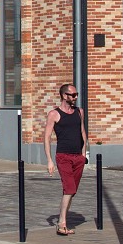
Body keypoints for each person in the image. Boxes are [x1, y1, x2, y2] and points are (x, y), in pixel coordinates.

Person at [42, 83, 88, 236]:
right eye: (72, 95)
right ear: (64, 96)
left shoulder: (79, 112)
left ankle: (63, 219)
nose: (75, 97)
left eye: (76, 95)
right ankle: (62, 223)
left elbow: (82, 133)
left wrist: (83, 155)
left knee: (72, 191)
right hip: (63, 157)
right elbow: (47, 137)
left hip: (78, 158)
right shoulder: (54, 114)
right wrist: (49, 160)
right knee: (69, 188)